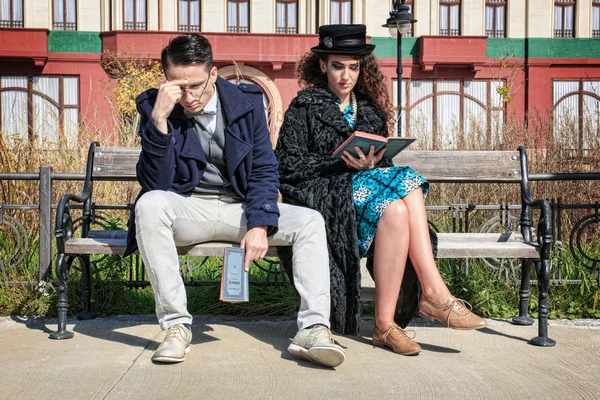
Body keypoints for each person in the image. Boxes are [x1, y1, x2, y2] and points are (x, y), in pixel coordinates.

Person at [124, 33, 345, 368]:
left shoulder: (246, 103)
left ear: (213, 74)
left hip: (239, 209)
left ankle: (314, 329)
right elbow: (156, 184)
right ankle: (176, 328)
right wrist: (159, 122)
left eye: (195, 85)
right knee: (149, 204)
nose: (188, 96)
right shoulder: (158, 109)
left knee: (310, 221)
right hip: (189, 208)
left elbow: (264, 168)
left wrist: (259, 223)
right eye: (177, 85)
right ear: (166, 79)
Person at [275, 24, 487, 356]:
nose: (346, 75)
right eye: (337, 65)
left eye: (353, 67)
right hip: (321, 198)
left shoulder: (370, 111)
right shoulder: (305, 105)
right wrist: (341, 163)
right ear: (322, 65)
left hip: (362, 195)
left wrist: (372, 165)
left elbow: (384, 168)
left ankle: (384, 326)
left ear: (362, 68)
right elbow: (286, 165)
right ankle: (436, 295)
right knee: (407, 179)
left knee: (397, 209)